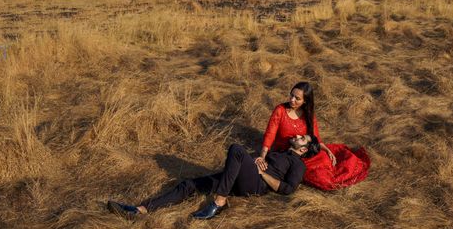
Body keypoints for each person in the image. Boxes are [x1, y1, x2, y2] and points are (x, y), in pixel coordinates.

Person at [107, 134, 319, 221]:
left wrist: (262, 173)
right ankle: (140, 209)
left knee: (236, 149)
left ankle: (220, 201)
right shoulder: (281, 152)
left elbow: (288, 189)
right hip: (240, 177)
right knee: (189, 184)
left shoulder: (297, 164)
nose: (298, 136)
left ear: (304, 150)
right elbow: (256, 160)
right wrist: (256, 160)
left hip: (255, 184)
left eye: (302, 139)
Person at [257, 81, 371, 191]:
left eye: (297, 98)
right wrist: (262, 156)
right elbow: (269, 135)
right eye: (291, 95)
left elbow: (316, 138)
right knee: (319, 176)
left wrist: (327, 150)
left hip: (303, 150)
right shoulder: (280, 110)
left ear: (305, 101)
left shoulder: (309, 115)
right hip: (284, 152)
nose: (292, 100)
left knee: (329, 159)